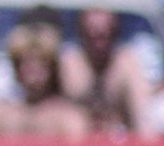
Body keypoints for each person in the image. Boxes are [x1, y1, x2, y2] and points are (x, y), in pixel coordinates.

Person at [0, 23, 89, 141]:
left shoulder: (69, 117)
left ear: (53, 68)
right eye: (25, 62)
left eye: (41, 62)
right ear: (16, 68)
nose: (33, 69)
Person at [59, 8, 153, 137]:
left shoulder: (127, 63)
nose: (98, 43)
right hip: (75, 140)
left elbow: (142, 112)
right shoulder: (68, 63)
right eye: (92, 34)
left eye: (104, 35)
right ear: (82, 33)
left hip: (119, 138)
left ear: (115, 33)